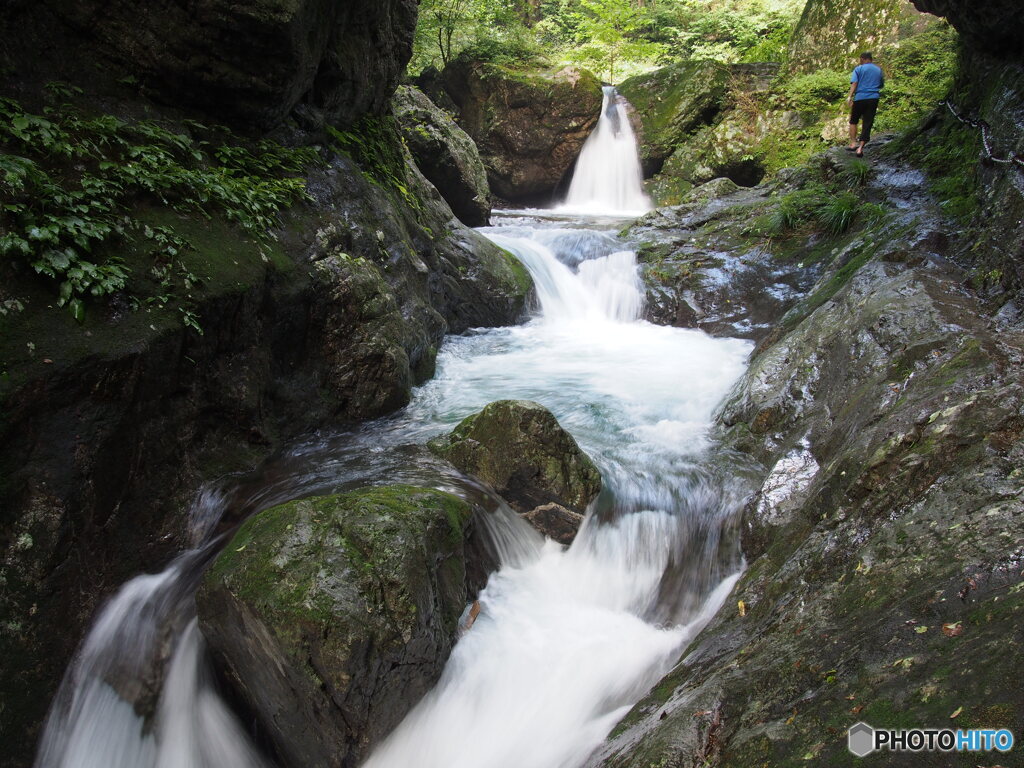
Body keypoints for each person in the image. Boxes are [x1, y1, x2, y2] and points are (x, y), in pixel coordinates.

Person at [846, 52, 884, 157]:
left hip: (860, 98)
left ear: (863, 59)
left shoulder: (859, 69)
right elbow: (881, 84)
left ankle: (853, 143)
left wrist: (850, 96)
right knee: (868, 122)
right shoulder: (878, 70)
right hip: (873, 98)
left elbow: (854, 83)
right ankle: (860, 148)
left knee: (854, 120)